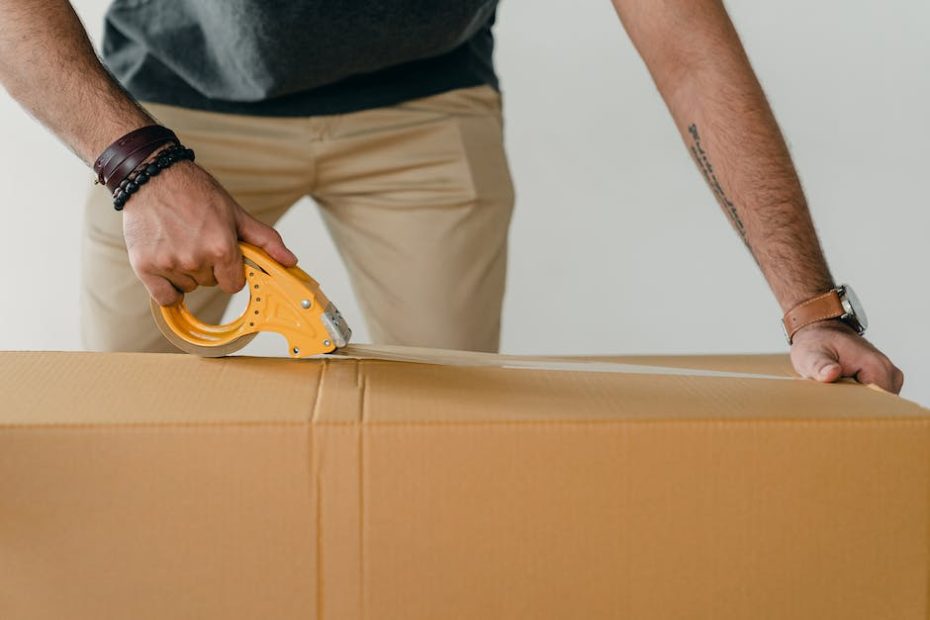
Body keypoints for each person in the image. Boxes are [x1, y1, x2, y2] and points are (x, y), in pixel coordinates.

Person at [0, 0, 903, 392]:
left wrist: (813, 310)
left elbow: (694, 55)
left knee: (441, 427)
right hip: (171, 106)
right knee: (132, 412)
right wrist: (140, 166)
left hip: (424, 106)